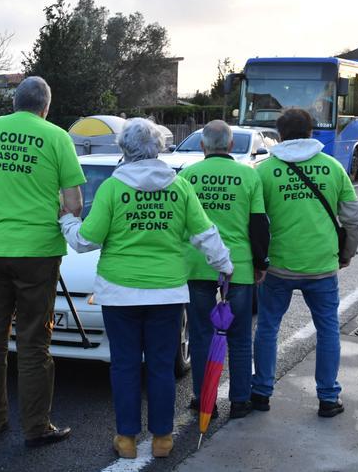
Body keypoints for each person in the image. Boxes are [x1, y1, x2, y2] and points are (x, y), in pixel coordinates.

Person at [59, 117, 233, 459]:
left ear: (124, 148)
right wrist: (224, 265)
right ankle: (163, 439)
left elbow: (84, 241)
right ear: (160, 147)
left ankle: (125, 439)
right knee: (160, 365)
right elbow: (205, 234)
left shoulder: (112, 188)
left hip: (119, 292)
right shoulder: (179, 187)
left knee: (124, 366)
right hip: (167, 293)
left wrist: (66, 219)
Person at [0, 76, 85, 448]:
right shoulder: (57, 137)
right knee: (34, 341)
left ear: (14, 102)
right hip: (38, 251)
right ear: (45, 107)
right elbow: (74, 201)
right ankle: (36, 425)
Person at [252, 108, 358, 417]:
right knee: (327, 329)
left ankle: (261, 392)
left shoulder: (264, 171)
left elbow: (255, 222)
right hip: (321, 266)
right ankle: (328, 398)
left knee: (267, 328)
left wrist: (258, 261)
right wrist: (346, 254)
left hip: (277, 267)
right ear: (312, 132)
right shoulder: (332, 168)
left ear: (281, 134)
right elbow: (353, 218)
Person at [180, 120, 270, 420]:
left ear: (203, 146)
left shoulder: (188, 176)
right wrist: (260, 264)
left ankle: (204, 400)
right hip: (239, 267)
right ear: (231, 146)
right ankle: (241, 400)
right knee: (240, 336)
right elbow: (258, 224)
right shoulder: (248, 174)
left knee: (202, 335)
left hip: (196, 265)